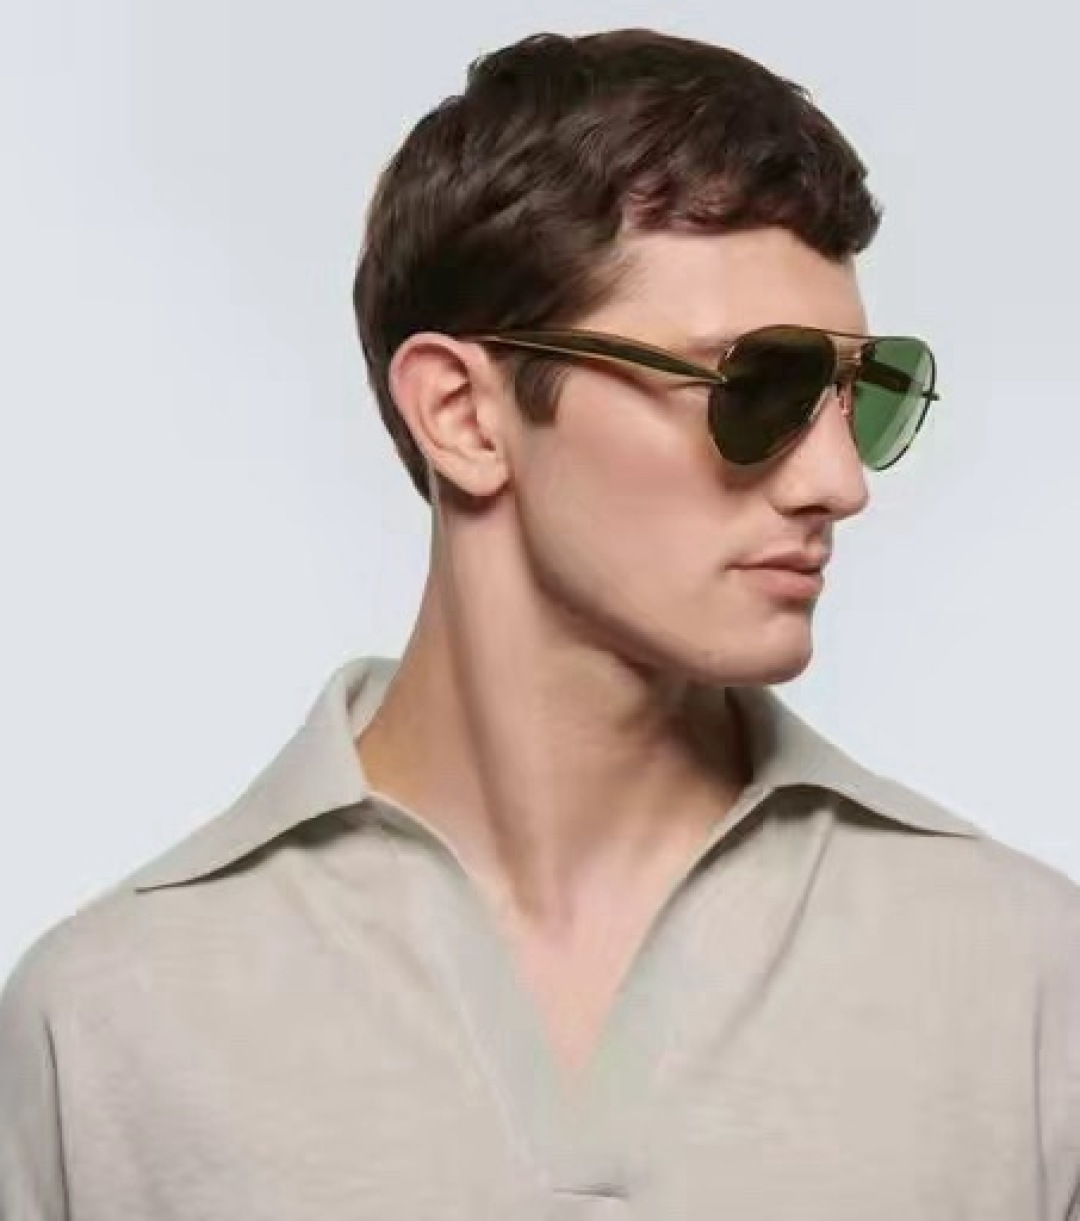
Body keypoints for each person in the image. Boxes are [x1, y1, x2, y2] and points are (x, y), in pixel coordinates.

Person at [1, 26, 1078, 1221]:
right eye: (756, 388)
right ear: (463, 415)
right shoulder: (106, 1026)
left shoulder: (1030, 984)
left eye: (859, 397)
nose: (839, 481)